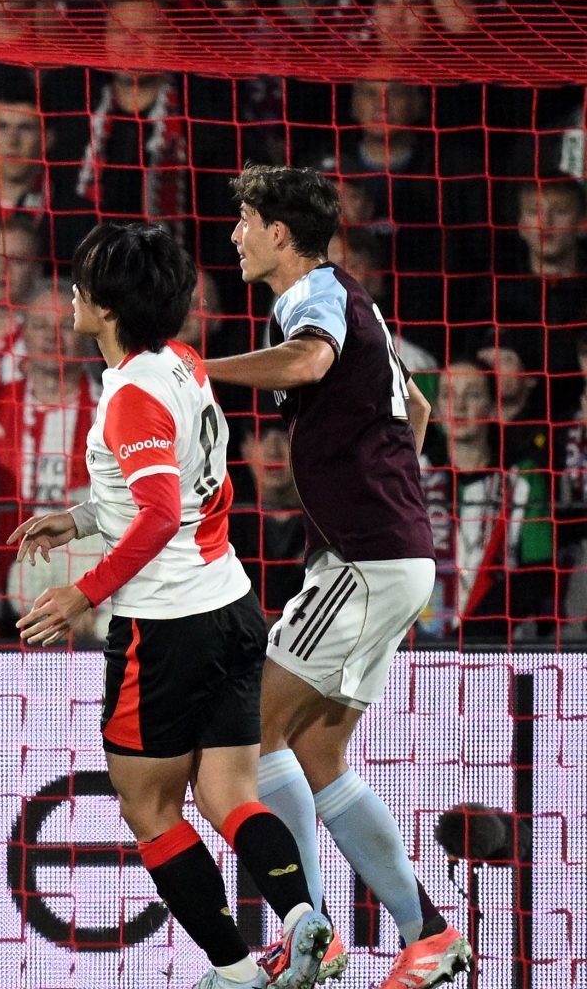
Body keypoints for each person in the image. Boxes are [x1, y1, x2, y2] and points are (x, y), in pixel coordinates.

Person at [10, 221, 333, 989]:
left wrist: (82, 595)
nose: (75, 294)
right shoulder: (183, 363)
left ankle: (232, 970)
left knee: (149, 810)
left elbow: (158, 512)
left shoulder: (128, 398)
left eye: (85, 283)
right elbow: (187, 488)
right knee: (229, 793)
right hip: (232, 606)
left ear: (107, 306)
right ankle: (297, 915)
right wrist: (84, 516)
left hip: (165, 629)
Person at [205, 167, 473, 989]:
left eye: (245, 221)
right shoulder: (357, 299)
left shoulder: (315, 298)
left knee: (249, 733)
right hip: (392, 553)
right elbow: (417, 414)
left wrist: (195, 369)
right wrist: (381, 482)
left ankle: (308, 932)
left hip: (364, 559)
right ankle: (425, 931)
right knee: (318, 752)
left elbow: (310, 361)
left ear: (280, 234)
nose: (234, 236)